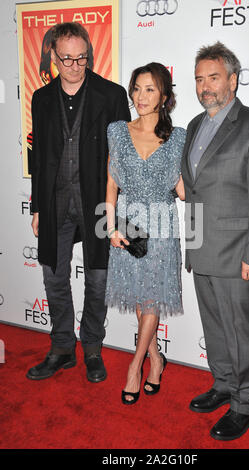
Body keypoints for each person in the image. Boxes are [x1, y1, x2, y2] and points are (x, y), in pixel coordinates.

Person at [181, 42, 249, 440]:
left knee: (245, 334)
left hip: (243, 256)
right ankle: (224, 385)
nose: (205, 86)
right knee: (217, 330)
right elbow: (193, 191)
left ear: (233, 80)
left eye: (213, 77)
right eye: (199, 79)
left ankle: (247, 406)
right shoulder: (193, 125)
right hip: (203, 253)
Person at [26, 22, 131, 383]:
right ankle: (61, 348)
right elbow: (37, 155)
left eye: (81, 57)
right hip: (55, 203)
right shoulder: (40, 99)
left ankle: (92, 349)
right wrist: (37, 206)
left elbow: (123, 158)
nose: (73, 65)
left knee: (98, 280)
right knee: (54, 277)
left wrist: (118, 211)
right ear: (53, 56)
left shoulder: (112, 95)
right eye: (66, 58)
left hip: (99, 203)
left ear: (90, 54)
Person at [105, 63, 186, 404]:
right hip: (128, 223)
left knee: (151, 298)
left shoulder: (179, 136)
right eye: (136, 88)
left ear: (164, 96)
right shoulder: (117, 131)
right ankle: (156, 358)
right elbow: (111, 183)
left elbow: (183, 188)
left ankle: (134, 367)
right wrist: (109, 226)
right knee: (141, 299)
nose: (140, 96)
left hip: (163, 225)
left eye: (150, 89)